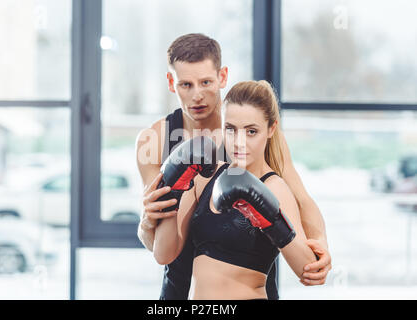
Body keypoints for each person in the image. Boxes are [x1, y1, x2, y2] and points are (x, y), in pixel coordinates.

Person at [136, 33, 331, 300]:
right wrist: (147, 222)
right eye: (186, 85)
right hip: (180, 289)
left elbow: (299, 198)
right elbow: (155, 239)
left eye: (206, 82)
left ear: (222, 77)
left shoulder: (256, 133)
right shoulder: (157, 140)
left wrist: (319, 243)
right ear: (172, 83)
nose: (197, 95)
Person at [153, 80, 319, 299]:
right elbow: (164, 254)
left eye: (251, 131)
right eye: (231, 130)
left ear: (271, 129)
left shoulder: (275, 188)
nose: (239, 142)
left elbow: (307, 270)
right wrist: (172, 191)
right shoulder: (205, 177)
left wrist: (274, 222)